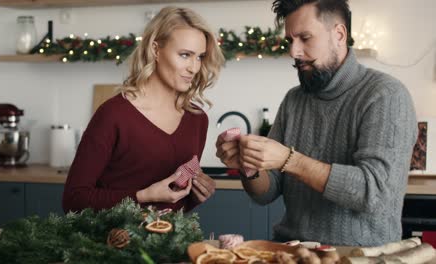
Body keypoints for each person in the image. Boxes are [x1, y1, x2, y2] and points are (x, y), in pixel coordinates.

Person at [216, 0, 417, 246]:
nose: (294, 51)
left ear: (339, 34)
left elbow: (374, 192)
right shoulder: (294, 99)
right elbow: (266, 193)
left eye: (305, 38)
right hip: (289, 252)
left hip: (360, 258)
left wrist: (290, 160)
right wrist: (249, 166)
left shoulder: (385, 95)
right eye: (291, 40)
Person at [63, 6, 224, 213]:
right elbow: (74, 200)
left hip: (169, 243)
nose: (194, 67)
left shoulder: (197, 119)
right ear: (156, 50)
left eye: (200, 57)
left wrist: (196, 194)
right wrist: (144, 195)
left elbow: (174, 201)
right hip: (111, 242)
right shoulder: (114, 115)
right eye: (185, 55)